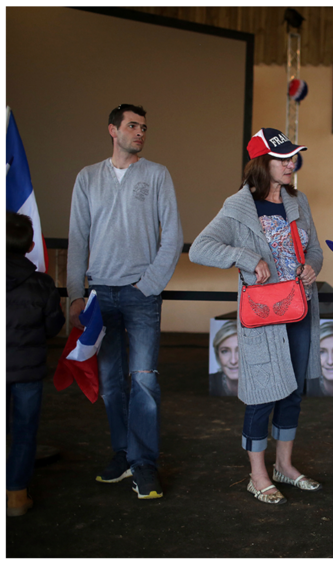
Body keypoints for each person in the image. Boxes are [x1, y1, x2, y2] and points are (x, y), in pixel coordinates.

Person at [190, 128, 324, 505]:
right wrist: (247, 258)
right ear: (261, 163)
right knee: (262, 394)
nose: (290, 164)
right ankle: (258, 474)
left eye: (292, 157)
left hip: (298, 307)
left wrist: (311, 266)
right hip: (264, 315)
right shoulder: (237, 207)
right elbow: (201, 248)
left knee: (293, 392)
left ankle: (284, 465)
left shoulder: (299, 202)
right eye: (282, 159)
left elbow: (314, 248)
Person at [67, 104, 183, 499]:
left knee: (145, 381)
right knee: (113, 384)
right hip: (100, 295)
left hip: (140, 294)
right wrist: (76, 294)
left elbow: (172, 236)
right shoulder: (87, 178)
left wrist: (149, 284)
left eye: (144, 127)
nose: (140, 133)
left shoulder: (157, 175)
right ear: (113, 130)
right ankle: (122, 454)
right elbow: (78, 238)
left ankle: (145, 465)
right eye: (132, 126)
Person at [7, 212, 66, 516]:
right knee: (24, 430)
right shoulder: (43, 284)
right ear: (31, 245)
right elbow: (53, 327)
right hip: (28, 370)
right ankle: (16, 496)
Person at [210, 320, 240, 397]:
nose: (233, 361)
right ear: (218, 355)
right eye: (225, 351)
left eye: (240, 351)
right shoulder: (210, 383)